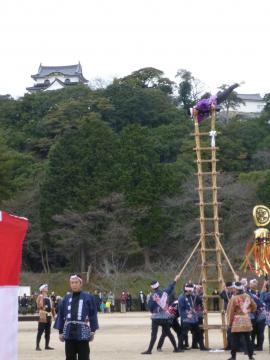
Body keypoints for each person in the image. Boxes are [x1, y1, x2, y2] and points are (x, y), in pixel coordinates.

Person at [54, 274, 99, 360]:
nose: (74, 285)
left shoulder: (88, 297)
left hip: (83, 333)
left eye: (76, 282)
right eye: (72, 283)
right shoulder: (66, 298)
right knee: (70, 357)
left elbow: (93, 315)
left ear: (81, 283)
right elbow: (61, 315)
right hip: (69, 332)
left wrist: (93, 330)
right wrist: (60, 332)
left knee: (84, 357)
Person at [141, 275, 181, 355]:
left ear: (152, 288)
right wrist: (175, 280)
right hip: (165, 317)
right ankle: (176, 348)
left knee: (154, 335)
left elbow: (150, 307)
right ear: (158, 285)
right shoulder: (165, 292)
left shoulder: (152, 296)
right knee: (169, 333)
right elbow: (170, 287)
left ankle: (149, 350)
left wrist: (154, 311)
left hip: (155, 318)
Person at [227, 281, 256, 360]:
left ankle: (233, 357)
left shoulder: (234, 298)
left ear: (236, 289)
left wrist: (229, 323)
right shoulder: (247, 296)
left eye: (234, 288)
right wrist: (249, 310)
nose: (233, 290)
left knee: (234, 340)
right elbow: (254, 306)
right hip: (246, 320)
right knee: (248, 339)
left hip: (237, 322)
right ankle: (251, 356)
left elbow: (231, 312)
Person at [178, 283, 207, 351]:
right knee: (183, 333)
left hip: (194, 318)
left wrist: (199, 293)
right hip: (186, 319)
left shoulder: (192, 296)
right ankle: (179, 347)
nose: (192, 292)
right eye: (191, 290)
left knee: (198, 332)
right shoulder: (181, 297)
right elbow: (181, 309)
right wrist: (186, 315)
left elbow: (199, 301)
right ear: (187, 290)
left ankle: (202, 347)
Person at [247, 279, 266, 351]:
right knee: (253, 331)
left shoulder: (258, 293)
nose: (255, 284)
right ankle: (253, 345)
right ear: (250, 284)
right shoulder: (248, 292)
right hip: (252, 314)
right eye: (253, 282)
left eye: (256, 282)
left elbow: (262, 292)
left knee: (260, 331)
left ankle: (259, 346)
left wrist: (264, 284)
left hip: (261, 314)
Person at [36, 283, 55, 351]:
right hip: (43, 314)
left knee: (48, 331)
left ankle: (47, 345)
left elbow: (52, 307)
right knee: (40, 330)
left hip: (49, 315)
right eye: (46, 287)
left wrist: (53, 315)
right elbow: (38, 305)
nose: (47, 288)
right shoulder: (40, 296)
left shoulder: (49, 297)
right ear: (42, 289)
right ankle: (37, 346)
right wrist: (42, 307)